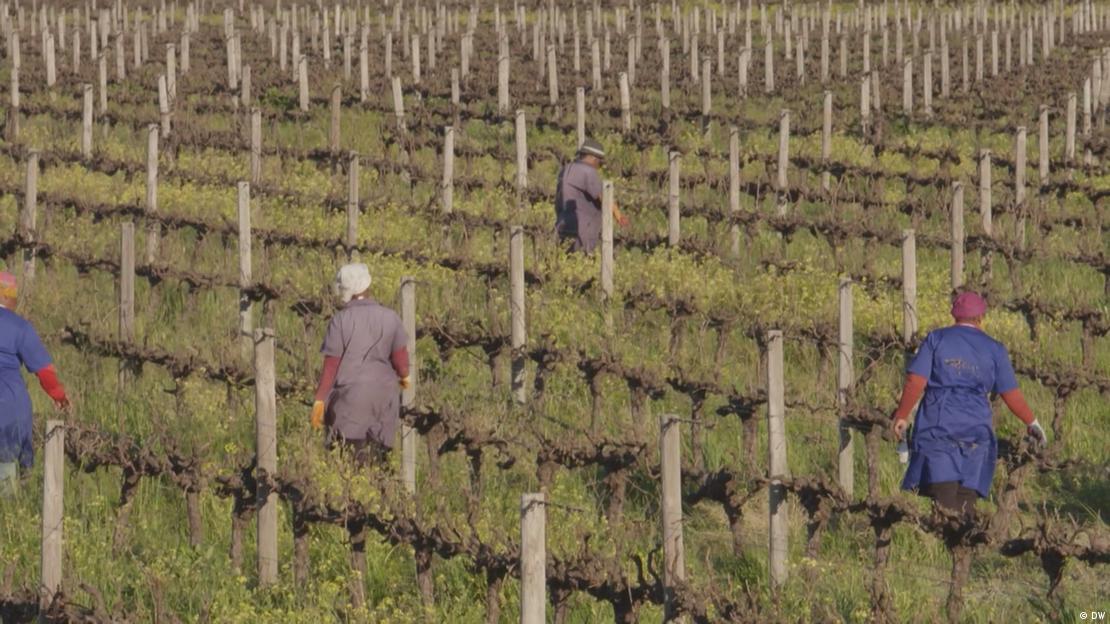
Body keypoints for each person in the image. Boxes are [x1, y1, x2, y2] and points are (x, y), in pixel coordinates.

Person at [891, 291, 1046, 517]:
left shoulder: (937, 338)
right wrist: (1032, 422)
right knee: (966, 499)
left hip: (938, 425)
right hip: (976, 429)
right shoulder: (995, 349)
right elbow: (1010, 393)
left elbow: (916, 381)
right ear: (981, 317)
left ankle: (951, 543)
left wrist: (902, 415)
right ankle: (963, 545)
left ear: (954, 316)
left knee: (944, 498)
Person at [310, 264, 410, 466]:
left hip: (350, 399)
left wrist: (319, 400)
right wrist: (404, 378)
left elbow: (331, 366)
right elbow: (401, 359)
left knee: (348, 460)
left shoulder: (340, 320)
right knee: (380, 459)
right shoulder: (391, 317)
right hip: (384, 398)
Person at [0, 272, 70, 496]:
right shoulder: (20, 327)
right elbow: (45, 373)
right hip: (9, 407)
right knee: (8, 477)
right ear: (10, 298)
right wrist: (60, 397)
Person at [554, 138, 629, 253]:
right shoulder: (588, 172)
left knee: (564, 260)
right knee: (583, 262)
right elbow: (604, 197)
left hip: (561, 224)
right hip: (583, 229)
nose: (599, 165)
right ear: (593, 158)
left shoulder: (565, 169)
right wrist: (619, 216)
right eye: (600, 161)